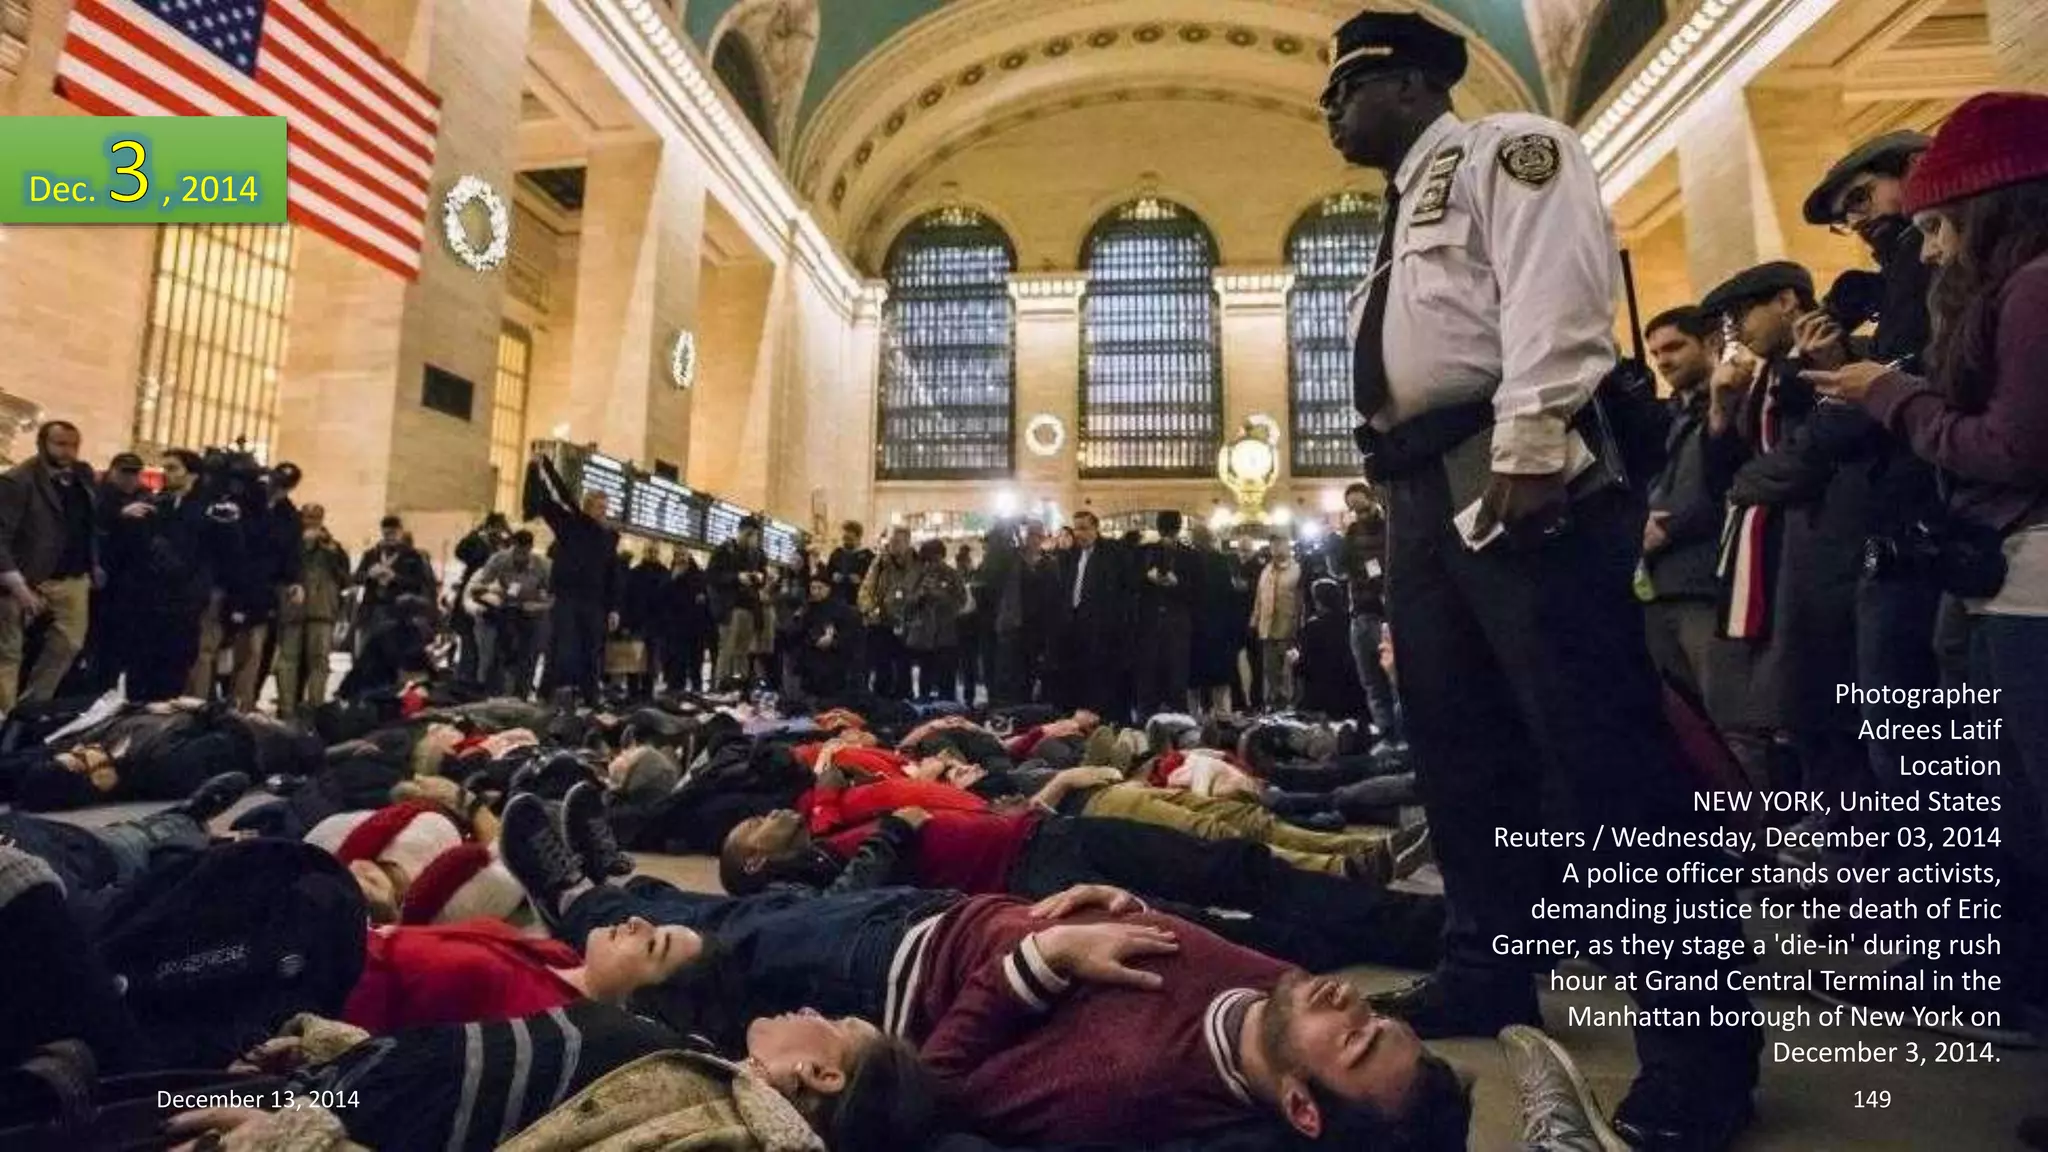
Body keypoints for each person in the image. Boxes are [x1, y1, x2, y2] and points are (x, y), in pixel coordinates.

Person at [1323, 9, 1758, 1146]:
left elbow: (1554, 292)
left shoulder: (1506, 148)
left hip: (1509, 467)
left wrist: (1524, 448)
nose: (1328, 111)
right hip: (1419, 489)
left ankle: (1699, 1049)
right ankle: (1489, 967)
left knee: (1599, 749)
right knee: (1459, 751)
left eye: (1345, 90)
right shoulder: (1391, 212)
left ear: (1410, 83)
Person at [500, 801, 1471, 1150]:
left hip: (895, 973)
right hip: (944, 914)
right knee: (730, 922)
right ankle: (612, 884)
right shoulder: (1280, 990)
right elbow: (1180, 940)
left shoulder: (1129, 1088)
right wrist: (1108, 899)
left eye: (1354, 1040)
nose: (1350, 1003)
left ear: (1302, 1109)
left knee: (731, 931)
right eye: (1379, 1019)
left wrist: (1041, 962)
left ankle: (580, 906)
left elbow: (946, 1077)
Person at [1807, 91, 2048, 1034]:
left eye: (1940, 225)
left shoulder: (2032, 289)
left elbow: (2011, 448)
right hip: (1996, 579)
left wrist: (1891, 395)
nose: (1928, 247)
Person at [1701, 262, 1878, 817]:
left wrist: (1747, 484)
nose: (1736, 330)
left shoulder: (1840, 356)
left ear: (1785, 302)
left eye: (1742, 314)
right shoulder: (1759, 380)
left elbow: (1812, 458)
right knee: (1804, 725)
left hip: (1827, 560)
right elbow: (1720, 479)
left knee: (1844, 731)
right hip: (1777, 568)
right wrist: (1720, 409)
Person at [1639, 306, 1750, 740]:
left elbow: (1719, 481)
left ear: (1709, 344)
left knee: (1734, 720)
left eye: (1673, 347)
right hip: (1661, 585)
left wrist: (1668, 527)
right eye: (1655, 353)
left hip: (1709, 580)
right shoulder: (1667, 418)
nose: (1663, 361)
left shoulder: (1732, 401)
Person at [120, 450, 241, 703]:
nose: (166, 473)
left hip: (186, 596)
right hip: (151, 596)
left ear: (193, 474)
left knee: (174, 664)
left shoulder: (210, 507)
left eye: (173, 468)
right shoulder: (160, 504)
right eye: (165, 468)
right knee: (141, 665)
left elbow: (228, 551)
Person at [0, 420, 98, 713]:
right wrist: (19, 587)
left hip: (72, 578)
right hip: (26, 578)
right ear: (42, 444)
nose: (68, 451)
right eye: (60, 444)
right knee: (8, 653)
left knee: (68, 644)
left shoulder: (82, 477)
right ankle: (4, 718)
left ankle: (30, 709)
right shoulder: (18, 480)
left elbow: (86, 523)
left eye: (73, 445)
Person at [525, 452, 619, 704]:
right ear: (588, 507)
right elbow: (547, 502)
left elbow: (611, 573)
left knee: (590, 652)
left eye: (605, 508)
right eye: (600, 508)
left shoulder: (607, 538)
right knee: (562, 648)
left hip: (594, 602)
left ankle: (590, 697)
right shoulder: (570, 525)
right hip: (567, 598)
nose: (603, 513)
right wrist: (535, 471)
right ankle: (548, 695)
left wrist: (613, 608)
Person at [273, 503, 352, 721]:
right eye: (308, 517)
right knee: (288, 660)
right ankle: (286, 709)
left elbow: (346, 579)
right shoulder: (290, 543)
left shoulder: (332, 547)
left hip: (322, 611)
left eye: (316, 517)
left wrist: (331, 550)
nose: (312, 522)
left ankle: (315, 710)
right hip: (293, 610)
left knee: (319, 661)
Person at [1053, 510, 1135, 722]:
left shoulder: (1113, 553)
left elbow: (1127, 589)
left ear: (1096, 529)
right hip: (1076, 628)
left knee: (1104, 682)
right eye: (1076, 528)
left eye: (1084, 528)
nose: (1079, 533)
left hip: (1104, 630)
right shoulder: (1071, 556)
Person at [1335, 484, 1401, 740]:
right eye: (1353, 508)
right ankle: (1386, 735)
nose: (1358, 514)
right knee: (1372, 683)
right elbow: (1340, 569)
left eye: (1361, 507)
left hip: (1386, 615)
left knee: (1395, 682)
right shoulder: (1351, 533)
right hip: (1360, 614)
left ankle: (1401, 737)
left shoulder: (1389, 528)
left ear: (1372, 501)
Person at [466, 530, 551, 696]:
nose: (519, 557)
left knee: (527, 660)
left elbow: (554, 598)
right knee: (499, 657)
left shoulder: (542, 565)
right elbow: (478, 587)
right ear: (512, 546)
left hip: (531, 617)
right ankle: (495, 694)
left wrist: (538, 606)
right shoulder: (499, 559)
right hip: (505, 614)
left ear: (530, 548)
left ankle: (521, 697)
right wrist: (491, 595)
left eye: (523, 552)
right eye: (516, 552)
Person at [1134, 510, 1201, 716]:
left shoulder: (1188, 555)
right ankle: (1155, 718)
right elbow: (1133, 583)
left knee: (1174, 677)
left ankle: (1170, 719)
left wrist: (1176, 584)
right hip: (1156, 623)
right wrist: (1148, 578)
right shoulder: (1146, 552)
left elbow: (1196, 591)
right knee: (1152, 677)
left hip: (1173, 622)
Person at [351, 514, 436, 650]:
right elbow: (356, 578)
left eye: (393, 533)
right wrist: (369, 575)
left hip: (399, 610)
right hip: (372, 608)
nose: (389, 537)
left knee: (393, 652)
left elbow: (420, 583)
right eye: (386, 534)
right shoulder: (372, 554)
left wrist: (395, 577)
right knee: (367, 650)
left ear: (400, 532)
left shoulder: (413, 556)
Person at [708, 516, 772, 690]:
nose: (751, 538)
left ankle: (740, 686)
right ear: (740, 531)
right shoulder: (724, 550)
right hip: (730, 608)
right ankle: (721, 686)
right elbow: (712, 576)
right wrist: (736, 577)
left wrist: (760, 577)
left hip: (750, 607)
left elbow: (764, 576)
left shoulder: (758, 554)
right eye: (748, 534)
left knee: (743, 652)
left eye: (754, 535)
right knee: (727, 650)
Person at [903, 538, 967, 701]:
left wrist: (938, 595)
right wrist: (920, 595)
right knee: (925, 677)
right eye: (927, 560)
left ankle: (947, 709)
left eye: (933, 559)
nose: (931, 564)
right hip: (924, 637)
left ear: (941, 556)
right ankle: (924, 707)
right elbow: (907, 600)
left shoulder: (952, 574)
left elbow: (961, 601)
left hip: (946, 636)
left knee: (946, 680)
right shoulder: (919, 575)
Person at [449, 511, 510, 683]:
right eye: (496, 528)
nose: (498, 533)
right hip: (473, 604)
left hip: (492, 609)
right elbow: (461, 551)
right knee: (469, 647)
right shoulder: (478, 545)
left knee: (487, 651)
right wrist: (476, 532)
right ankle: (466, 681)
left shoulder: (504, 546)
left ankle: (480, 682)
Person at [1293, 579, 1365, 719]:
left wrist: (1294, 660)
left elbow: (1305, 667)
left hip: (1323, 697)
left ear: (1318, 601)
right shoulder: (1351, 622)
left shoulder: (1313, 627)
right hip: (1353, 695)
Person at [859, 526, 917, 697]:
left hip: (907, 623)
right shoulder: (880, 563)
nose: (893, 545)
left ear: (907, 542)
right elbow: (866, 588)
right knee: (881, 664)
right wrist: (869, 609)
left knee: (904, 664)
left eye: (897, 542)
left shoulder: (918, 563)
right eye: (891, 542)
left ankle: (904, 699)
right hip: (882, 622)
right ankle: (882, 701)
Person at [793, 571, 862, 697]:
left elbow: (850, 634)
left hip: (835, 656)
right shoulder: (808, 608)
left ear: (828, 589)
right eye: (813, 588)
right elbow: (800, 630)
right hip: (811, 651)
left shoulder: (842, 609)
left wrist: (833, 640)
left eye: (820, 588)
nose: (816, 592)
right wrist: (814, 640)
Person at [1251, 540, 1301, 710]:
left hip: (1288, 629)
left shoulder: (1296, 570)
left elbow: (1301, 600)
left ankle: (1290, 705)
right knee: (1270, 672)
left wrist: (1299, 625)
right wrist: (1255, 621)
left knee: (1289, 672)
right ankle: (1272, 704)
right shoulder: (1266, 571)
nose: (1276, 548)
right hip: (1268, 630)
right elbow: (1259, 598)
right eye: (1273, 545)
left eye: (1279, 544)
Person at [662, 549, 713, 693]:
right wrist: (673, 578)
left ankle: (696, 689)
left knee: (696, 661)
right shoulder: (670, 575)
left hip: (696, 626)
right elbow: (663, 597)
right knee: (677, 660)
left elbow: (706, 598)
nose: (682, 559)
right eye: (679, 556)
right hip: (676, 626)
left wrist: (703, 598)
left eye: (684, 555)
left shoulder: (699, 577)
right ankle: (676, 688)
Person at [826, 519, 875, 608]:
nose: (846, 542)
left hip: (857, 601)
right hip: (837, 599)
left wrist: (861, 580)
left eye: (850, 539)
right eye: (844, 538)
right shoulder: (836, 553)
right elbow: (827, 574)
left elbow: (874, 579)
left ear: (858, 538)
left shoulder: (868, 556)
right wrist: (833, 576)